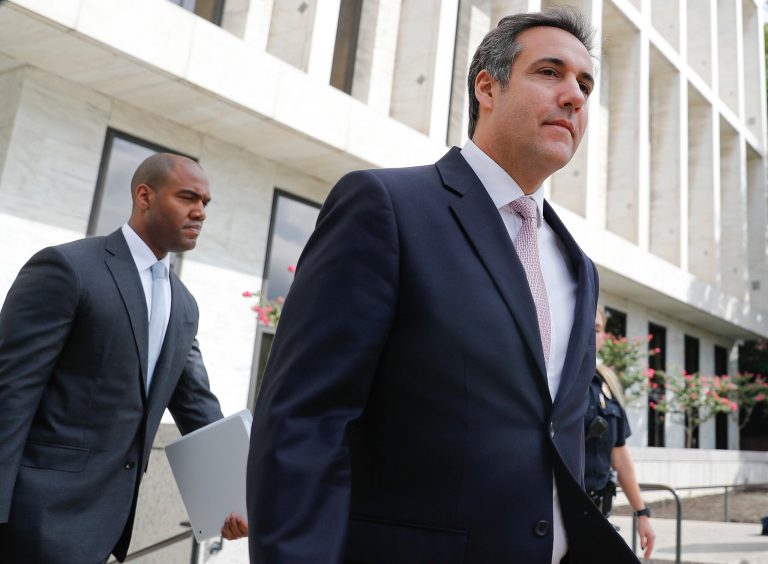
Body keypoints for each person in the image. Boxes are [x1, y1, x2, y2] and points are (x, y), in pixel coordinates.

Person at [248, 7, 638, 564]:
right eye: (549, 72)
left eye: (585, 83)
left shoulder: (579, 266)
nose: (574, 95)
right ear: (488, 87)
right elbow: (304, 423)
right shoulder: (385, 208)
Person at [0, 154, 246, 564]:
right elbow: (9, 393)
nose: (200, 212)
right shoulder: (68, 268)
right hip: (34, 518)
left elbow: (197, 406)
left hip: (107, 528)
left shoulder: (183, 304)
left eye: (205, 202)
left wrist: (234, 500)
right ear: (144, 195)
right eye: (188, 197)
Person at [586, 308, 656, 559]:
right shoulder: (556, 380)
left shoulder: (605, 383)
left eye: (597, 330)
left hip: (600, 515)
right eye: (586, 326)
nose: (592, 335)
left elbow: (619, 454)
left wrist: (642, 513)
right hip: (560, 515)